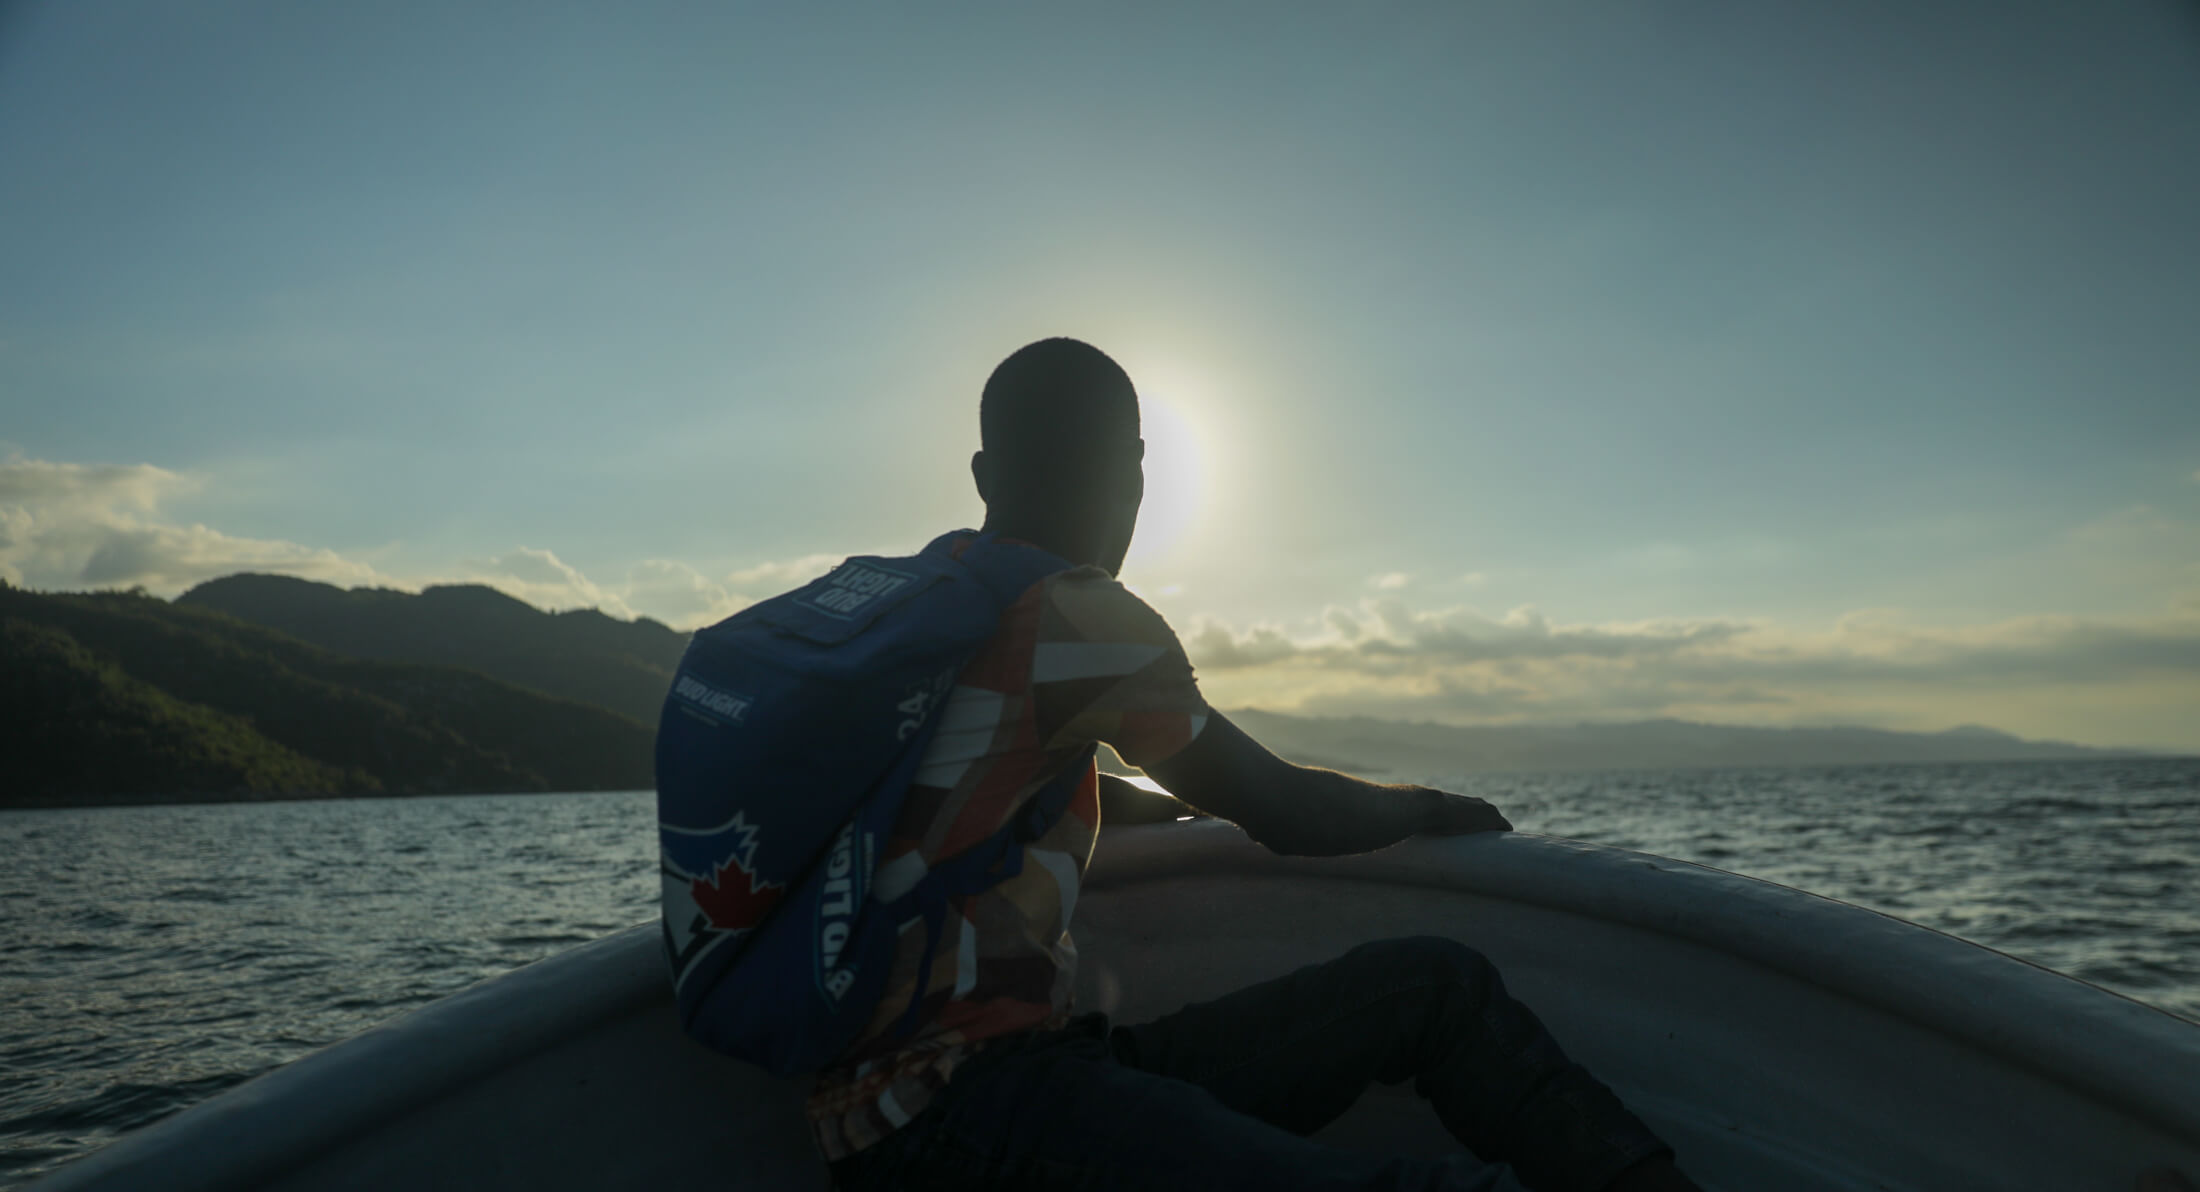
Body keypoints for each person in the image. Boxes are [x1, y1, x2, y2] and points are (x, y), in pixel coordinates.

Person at [806, 338, 1699, 1191]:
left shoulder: (918, 614)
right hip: (962, 1119)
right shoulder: (1076, 618)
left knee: (1434, 987)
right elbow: (1281, 808)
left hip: (951, 1099)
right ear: (1135, 472)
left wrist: (1142, 804)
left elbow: (969, 790)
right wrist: (1421, 807)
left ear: (983, 476)